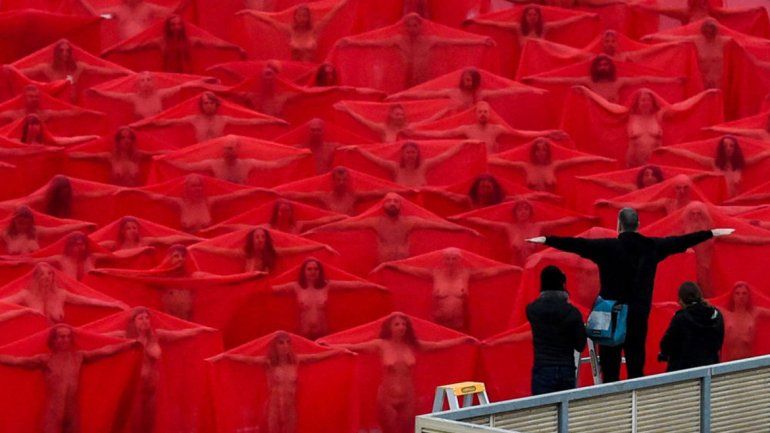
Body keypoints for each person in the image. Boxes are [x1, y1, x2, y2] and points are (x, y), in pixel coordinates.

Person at [526, 207, 731, 381]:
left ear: (619, 225)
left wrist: (547, 239)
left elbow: (577, 245)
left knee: (610, 371)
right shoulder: (651, 247)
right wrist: (710, 233)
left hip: (612, 316)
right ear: (638, 224)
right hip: (637, 317)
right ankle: (635, 409)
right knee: (636, 368)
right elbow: (681, 241)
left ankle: (612, 408)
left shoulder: (607, 248)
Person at [334, 313, 473, 433]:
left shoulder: (412, 345)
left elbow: (437, 346)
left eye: (404, 324)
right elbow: (354, 347)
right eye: (397, 324)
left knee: (407, 430)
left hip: (408, 398)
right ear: (389, 328)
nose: (401, 327)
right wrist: (331, 346)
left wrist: (461, 340)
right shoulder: (380, 345)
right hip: (387, 399)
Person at [0, 324, 137, 433]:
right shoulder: (46, 360)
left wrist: (127, 344)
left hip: (72, 412)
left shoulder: (79, 357)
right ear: (54, 340)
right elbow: (17, 361)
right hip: (54, 411)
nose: (65, 340)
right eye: (61, 337)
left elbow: (105, 351)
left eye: (67, 337)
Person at [214, 332, 347, 433]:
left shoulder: (296, 361)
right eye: (281, 343)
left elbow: (316, 357)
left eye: (288, 342)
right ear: (275, 346)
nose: (285, 346)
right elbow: (246, 359)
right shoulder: (269, 363)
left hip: (291, 405)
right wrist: (224, 356)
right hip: (274, 406)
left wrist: (339, 351)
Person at [108, 307, 214, 433]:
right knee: (133, 422)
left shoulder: (156, 335)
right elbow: (98, 335)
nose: (145, 321)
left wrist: (202, 329)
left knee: (150, 422)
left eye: (147, 318)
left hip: (153, 386)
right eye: (140, 318)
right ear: (133, 321)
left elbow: (181, 334)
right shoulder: (125, 336)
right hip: (135, 387)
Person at [307, 193, 478, 263]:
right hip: (383, 263)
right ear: (383, 205)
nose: (392, 203)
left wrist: (464, 229)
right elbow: (346, 226)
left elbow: (438, 225)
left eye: (396, 201)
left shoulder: (410, 222)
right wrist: (319, 229)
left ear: (401, 205)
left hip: (404, 263)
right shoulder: (375, 222)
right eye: (389, 201)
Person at [372, 247, 516, 331]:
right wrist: (388, 265)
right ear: (443, 260)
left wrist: (511, 269)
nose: (451, 262)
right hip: (438, 324)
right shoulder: (435, 273)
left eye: (454, 258)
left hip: (460, 325)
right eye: (448, 258)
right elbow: (410, 270)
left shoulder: (466, 274)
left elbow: (490, 272)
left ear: (459, 260)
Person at [574, 87, 720, 167]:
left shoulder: (659, 116)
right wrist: (588, 92)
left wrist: (704, 94)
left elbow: (681, 107)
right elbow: (608, 107)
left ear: (653, 102)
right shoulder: (629, 116)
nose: (645, 102)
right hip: (633, 162)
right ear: (637, 102)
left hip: (656, 163)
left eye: (648, 100)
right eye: (643, 100)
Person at [337, 13, 495, 87]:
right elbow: (374, 43)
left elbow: (456, 42)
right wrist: (350, 42)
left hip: (423, 77)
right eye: (409, 26)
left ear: (420, 26)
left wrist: (480, 41)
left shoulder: (430, 40)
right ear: (405, 27)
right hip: (402, 79)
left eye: (415, 25)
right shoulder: (398, 40)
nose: (412, 28)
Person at [272, 258, 386, 339]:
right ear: (304, 271)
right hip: (304, 334)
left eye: (316, 269)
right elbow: (272, 290)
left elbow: (353, 285)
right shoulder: (296, 287)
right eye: (309, 269)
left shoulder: (327, 286)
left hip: (323, 333)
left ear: (320, 271)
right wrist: (261, 280)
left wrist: (376, 287)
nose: (312, 272)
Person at [455, 199, 590, 266]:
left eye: (526, 209)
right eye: (520, 209)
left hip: (533, 269)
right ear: (515, 213)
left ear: (530, 213)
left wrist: (583, 218)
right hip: (515, 268)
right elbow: (484, 223)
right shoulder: (509, 227)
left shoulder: (538, 226)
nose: (523, 212)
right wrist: (463, 218)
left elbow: (562, 222)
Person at [122, 173, 273, 232]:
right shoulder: (180, 203)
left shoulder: (209, 202)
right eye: (194, 186)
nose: (197, 188)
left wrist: (260, 191)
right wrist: (128, 191)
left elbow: (235, 196)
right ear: (187, 188)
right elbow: (154, 197)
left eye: (199, 185)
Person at [406, 102, 568, 154]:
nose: (483, 114)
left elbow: (520, 134)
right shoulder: (467, 129)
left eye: (485, 112)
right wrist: (416, 132)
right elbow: (442, 134)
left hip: (492, 161)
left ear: (489, 114)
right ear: (475, 114)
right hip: (473, 164)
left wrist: (548, 133)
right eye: (480, 112)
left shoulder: (496, 129)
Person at [102, 15, 243, 74]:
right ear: (168, 27)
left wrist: (236, 47)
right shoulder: (161, 42)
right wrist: (112, 50)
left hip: (188, 77)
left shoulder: (191, 41)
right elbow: (134, 47)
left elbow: (216, 44)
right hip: (169, 78)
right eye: (173, 24)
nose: (176, 27)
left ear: (182, 26)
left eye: (178, 24)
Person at [524, 265, 586, 395]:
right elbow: (580, 345)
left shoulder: (532, 310)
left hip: (543, 368)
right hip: (566, 368)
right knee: (566, 406)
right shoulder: (572, 312)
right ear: (562, 284)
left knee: (543, 406)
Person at [134, 92, 287, 143]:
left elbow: (249, 122)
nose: (208, 106)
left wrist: (273, 121)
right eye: (205, 103)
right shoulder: (194, 119)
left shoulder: (223, 119)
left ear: (216, 105)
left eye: (211, 103)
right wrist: (144, 124)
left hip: (218, 152)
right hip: (202, 152)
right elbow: (168, 122)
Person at [523, 55, 682, 103]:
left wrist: (672, 81)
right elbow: (562, 80)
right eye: (600, 65)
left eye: (606, 64)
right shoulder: (589, 81)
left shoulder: (618, 82)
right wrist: (536, 80)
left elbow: (645, 79)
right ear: (595, 68)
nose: (603, 67)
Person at [0, 263, 126, 323]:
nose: (46, 277)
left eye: (50, 274)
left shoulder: (61, 294)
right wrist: (24, 311)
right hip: (35, 342)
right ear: (36, 278)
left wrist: (113, 304)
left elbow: (88, 300)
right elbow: (3, 304)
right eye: (42, 274)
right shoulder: (26, 295)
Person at [386, 67, 546, 112]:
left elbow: (505, 91)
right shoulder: (452, 93)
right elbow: (425, 94)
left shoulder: (480, 94)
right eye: (465, 79)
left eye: (470, 80)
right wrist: (400, 95)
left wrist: (530, 90)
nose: (467, 82)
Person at [237, 1, 350, 62]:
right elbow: (269, 21)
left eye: (305, 16)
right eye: (299, 15)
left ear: (308, 17)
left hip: (312, 70)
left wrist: (345, 2)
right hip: (295, 69)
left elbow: (331, 14)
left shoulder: (315, 30)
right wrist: (250, 13)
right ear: (295, 17)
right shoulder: (289, 31)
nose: (302, 18)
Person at [165, 136, 305, 184]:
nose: (228, 152)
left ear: (237, 149)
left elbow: (274, 165)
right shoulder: (214, 164)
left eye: (230, 148)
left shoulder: (247, 164)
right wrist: (167, 159)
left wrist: (295, 156)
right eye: (226, 148)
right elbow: (188, 167)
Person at [193, 226, 335, 273]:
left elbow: (297, 249)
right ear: (252, 240)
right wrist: (199, 247)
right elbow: (222, 252)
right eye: (257, 237)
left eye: (262, 237)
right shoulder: (246, 254)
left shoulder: (273, 253)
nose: (260, 239)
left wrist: (321, 246)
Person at [489, 138, 613, 191]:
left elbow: (577, 160)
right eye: (538, 150)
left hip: (553, 205)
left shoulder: (554, 166)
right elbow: (504, 163)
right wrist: (485, 158)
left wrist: (600, 159)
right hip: (533, 208)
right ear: (534, 152)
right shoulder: (526, 166)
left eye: (544, 149)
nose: (541, 152)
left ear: (548, 152)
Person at [340, 140, 475, 188]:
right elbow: (376, 160)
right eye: (408, 152)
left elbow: (444, 156)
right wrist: (359, 150)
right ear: (403, 155)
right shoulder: (395, 167)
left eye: (413, 152)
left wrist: (462, 145)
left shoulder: (425, 165)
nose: (410, 155)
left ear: (417, 154)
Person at [86, 71, 215, 120]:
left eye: (148, 79)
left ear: (153, 82)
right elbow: (114, 95)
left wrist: (203, 81)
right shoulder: (133, 97)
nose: (146, 82)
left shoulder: (160, 94)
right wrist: (97, 92)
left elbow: (182, 86)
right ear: (138, 84)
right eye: (143, 80)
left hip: (158, 131)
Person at [641, 19, 729, 89]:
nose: (709, 33)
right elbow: (675, 39)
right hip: (702, 81)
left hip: (719, 82)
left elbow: (738, 39)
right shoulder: (697, 40)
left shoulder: (724, 41)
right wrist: (654, 37)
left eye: (711, 31)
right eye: (707, 31)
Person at [68, 126, 167, 186]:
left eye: (129, 138)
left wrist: (173, 153)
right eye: (123, 138)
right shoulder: (111, 157)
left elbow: (160, 153)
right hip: (117, 198)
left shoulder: (138, 156)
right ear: (118, 141)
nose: (126, 141)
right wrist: (69, 154)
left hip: (135, 196)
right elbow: (88, 156)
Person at [659, 281, 724, 372]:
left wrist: (664, 354)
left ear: (681, 300)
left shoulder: (680, 318)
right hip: (711, 370)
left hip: (683, 372)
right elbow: (719, 341)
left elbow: (667, 344)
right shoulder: (716, 315)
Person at [465, 5, 596, 48]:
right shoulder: (518, 28)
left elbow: (566, 22)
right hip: (521, 64)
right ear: (525, 16)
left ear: (538, 17)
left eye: (534, 14)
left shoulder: (544, 27)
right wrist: (476, 21)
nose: (532, 17)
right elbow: (496, 24)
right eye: (529, 14)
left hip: (540, 65)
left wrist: (585, 16)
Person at [280, 166, 394, 216]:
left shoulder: (354, 195)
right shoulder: (324, 196)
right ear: (333, 181)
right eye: (338, 180)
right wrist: (277, 193)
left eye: (344, 180)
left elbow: (376, 193)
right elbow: (300, 195)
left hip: (349, 234)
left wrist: (398, 191)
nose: (341, 182)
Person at [422, 173, 560, 211]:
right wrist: (423, 189)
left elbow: (529, 196)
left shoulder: (502, 202)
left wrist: (548, 196)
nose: (485, 190)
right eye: (482, 187)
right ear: (477, 188)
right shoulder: (469, 201)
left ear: (494, 189)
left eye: (488, 187)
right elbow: (445, 194)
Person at [334, 102, 450, 143]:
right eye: (397, 114)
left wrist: (445, 111)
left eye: (402, 114)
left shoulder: (409, 128)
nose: (400, 117)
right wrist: (349, 111)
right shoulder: (383, 129)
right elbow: (363, 121)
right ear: (391, 116)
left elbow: (429, 121)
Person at [1, 206, 95, 255]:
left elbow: (59, 230)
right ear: (14, 221)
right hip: (14, 269)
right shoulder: (6, 233)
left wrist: (82, 225)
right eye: (20, 223)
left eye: (26, 223)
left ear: (30, 222)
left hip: (32, 268)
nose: (23, 226)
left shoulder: (36, 231)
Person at [721, 281, 770, 361]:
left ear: (748, 296)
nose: (741, 296)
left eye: (744, 293)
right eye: (737, 293)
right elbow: (706, 305)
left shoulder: (754, 313)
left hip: (748, 361)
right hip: (729, 362)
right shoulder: (725, 314)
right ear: (732, 296)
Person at [98, 216, 200, 252]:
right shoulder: (115, 245)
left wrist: (195, 239)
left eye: (134, 228)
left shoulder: (144, 242)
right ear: (122, 231)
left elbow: (167, 240)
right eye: (128, 228)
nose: (132, 230)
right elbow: (93, 246)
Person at [577, 164, 665, 195]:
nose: (650, 177)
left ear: (658, 178)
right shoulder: (635, 189)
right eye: (646, 174)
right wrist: (591, 179)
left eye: (653, 175)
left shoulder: (663, 190)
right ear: (641, 178)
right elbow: (611, 185)